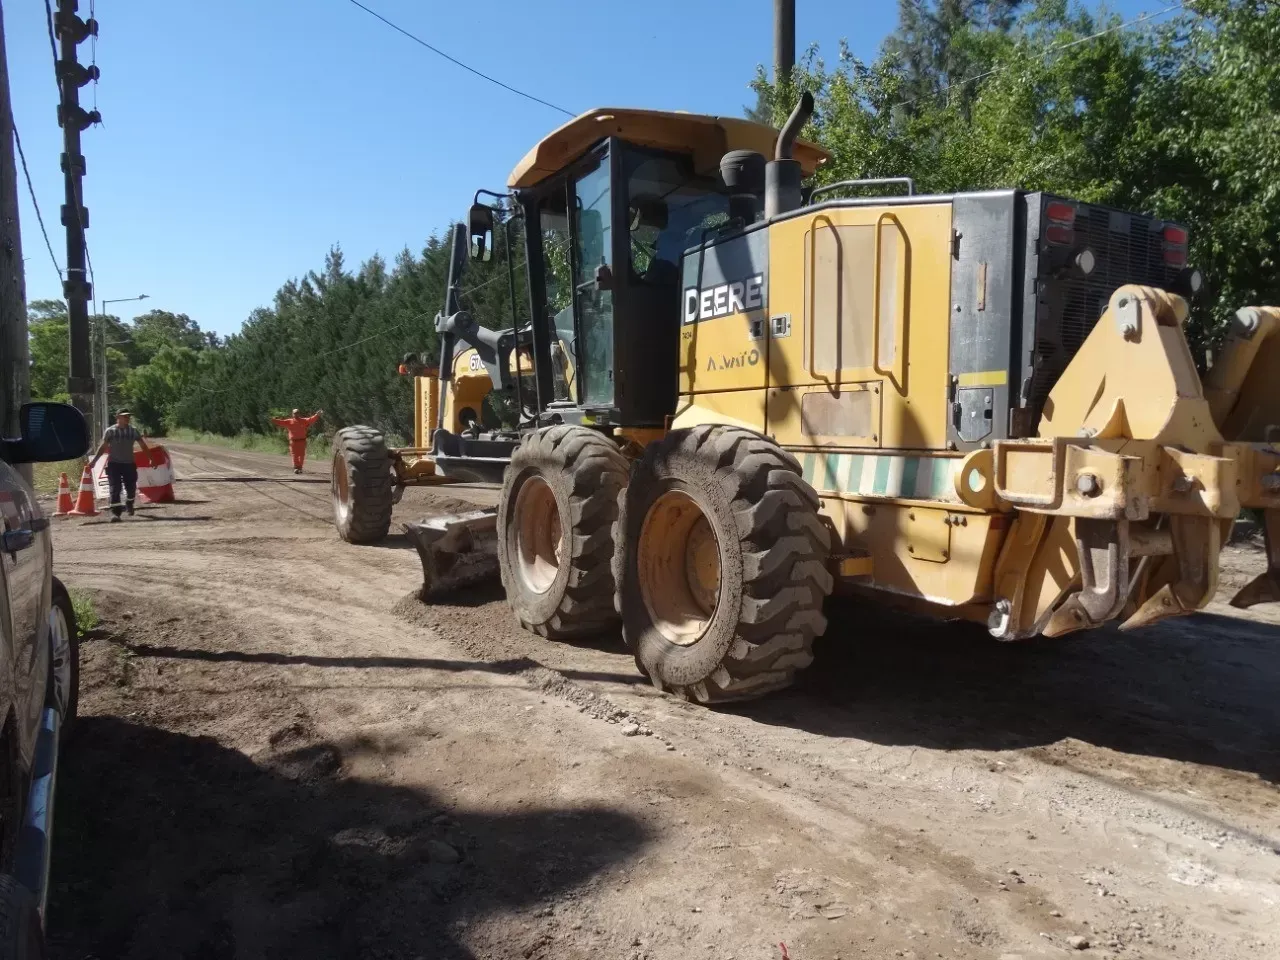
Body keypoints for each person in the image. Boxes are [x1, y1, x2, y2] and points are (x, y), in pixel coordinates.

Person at [88, 410, 151, 522]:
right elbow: (103, 447)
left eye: (128, 416)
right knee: (115, 487)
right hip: (114, 464)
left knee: (131, 488)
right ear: (118, 417)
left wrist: (151, 459)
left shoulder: (133, 431)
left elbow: (142, 445)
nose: (127, 418)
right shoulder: (110, 431)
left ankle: (129, 503)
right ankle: (115, 513)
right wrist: (94, 461)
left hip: (129, 464)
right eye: (124, 416)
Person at [271, 408, 323, 474]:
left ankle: (300, 467)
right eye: (294, 413)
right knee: (294, 455)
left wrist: (317, 415)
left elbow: (311, 419)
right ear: (292, 414)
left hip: (302, 441)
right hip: (293, 441)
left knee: (301, 455)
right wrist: (272, 420)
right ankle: (296, 467)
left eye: (297, 413)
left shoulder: (304, 421)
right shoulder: (289, 421)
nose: (296, 414)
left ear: (299, 414)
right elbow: (281, 422)